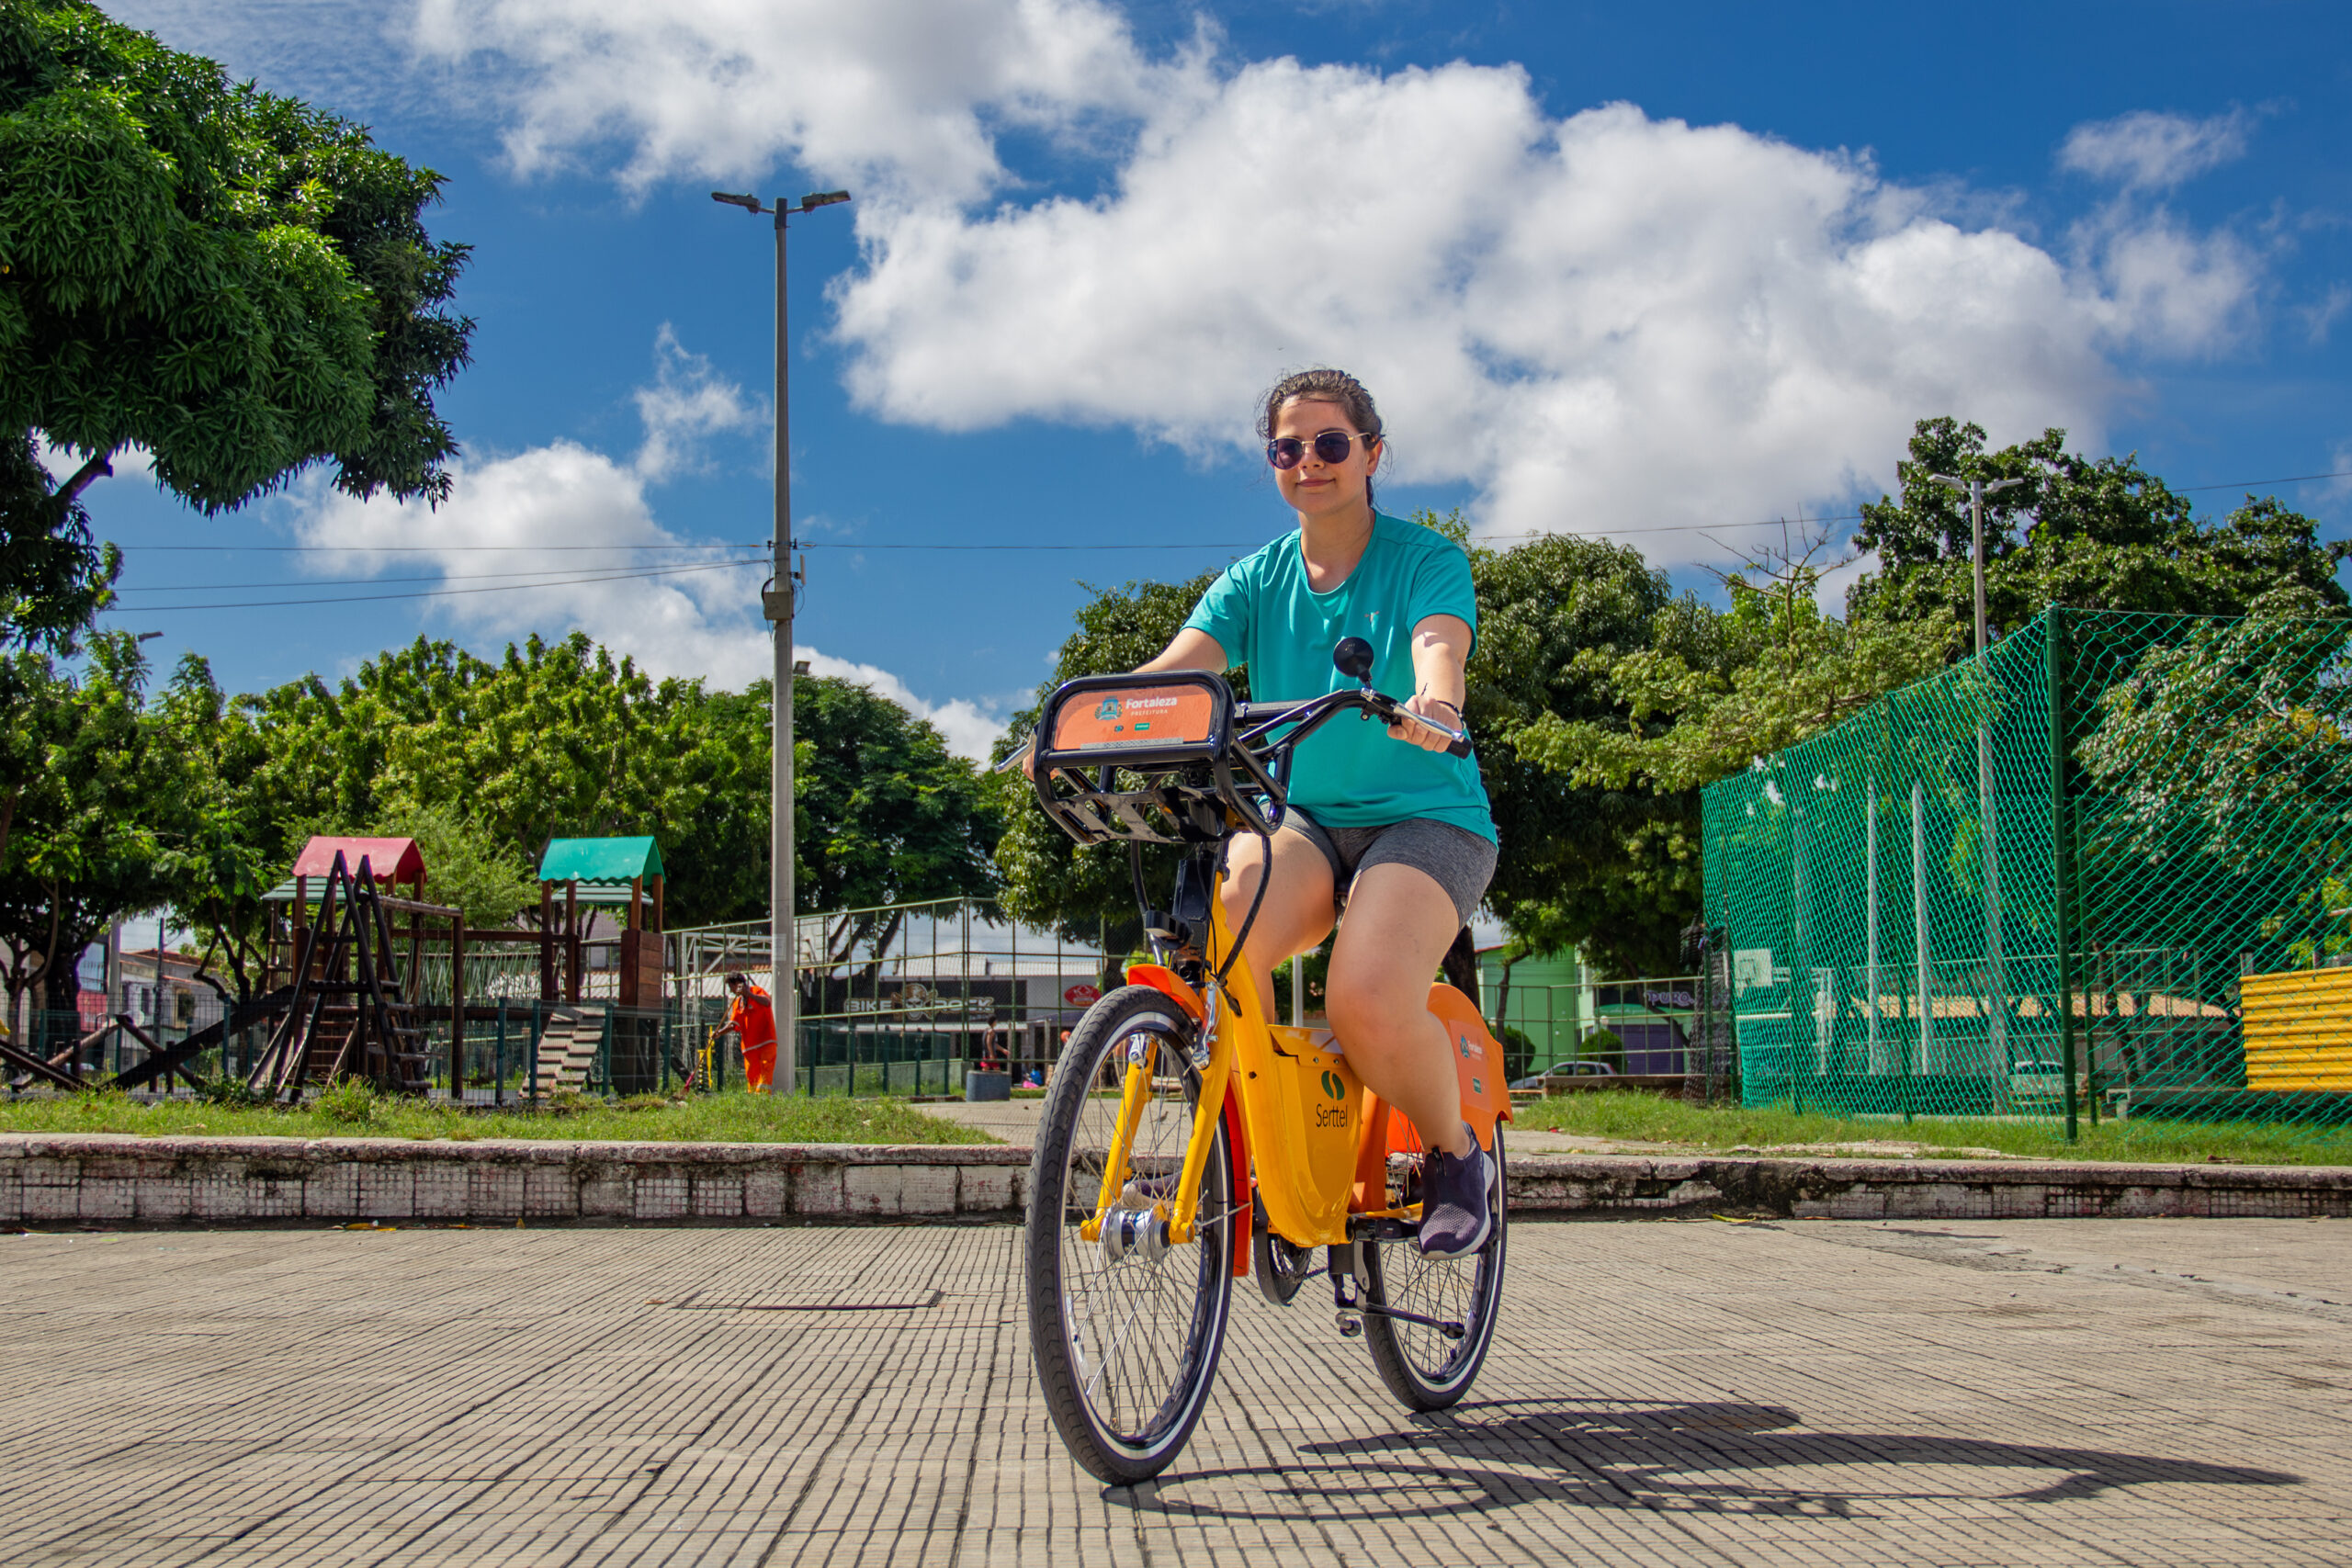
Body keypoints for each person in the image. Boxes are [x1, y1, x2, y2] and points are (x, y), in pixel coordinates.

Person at [1053, 367, 1499, 1258]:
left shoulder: (1424, 559)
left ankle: (1457, 1159)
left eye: (1331, 444)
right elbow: (1177, 672)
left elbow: (1435, 645)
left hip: (1428, 819)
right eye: (1286, 448)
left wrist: (1436, 705)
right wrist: (1077, 724)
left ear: (1372, 453)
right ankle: (1265, 1160)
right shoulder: (1256, 578)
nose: (1309, 462)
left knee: (1365, 997)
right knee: (1217, 933)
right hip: (1307, 823)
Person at [718, 971, 779, 1093]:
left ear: (738, 984)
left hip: (765, 1043)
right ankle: (753, 1104)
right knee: (752, 1079)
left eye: (731, 987)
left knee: (765, 1076)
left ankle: (763, 1102)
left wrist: (748, 994)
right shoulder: (737, 1003)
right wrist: (720, 1032)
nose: (731, 991)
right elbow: (734, 1024)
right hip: (750, 1048)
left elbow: (766, 1002)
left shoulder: (757, 991)